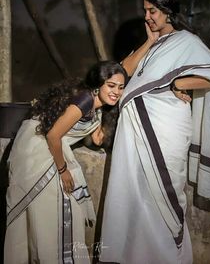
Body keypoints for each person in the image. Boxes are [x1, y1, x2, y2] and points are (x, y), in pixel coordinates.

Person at [98, 0, 210, 264]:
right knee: (134, 195)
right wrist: (148, 41)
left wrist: (178, 83)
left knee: (165, 193)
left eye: (153, 11)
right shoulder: (155, 44)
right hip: (135, 134)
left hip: (167, 128)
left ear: (168, 12)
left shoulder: (186, 41)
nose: (147, 16)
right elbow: (122, 71)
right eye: (145, 11)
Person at [4, 60, 128, 264]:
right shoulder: (85, 100)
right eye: (111, 86)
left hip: (50, 144)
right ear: (98, 85)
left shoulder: (99, 105)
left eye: (121, 87)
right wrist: (63, 170)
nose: (116, 91)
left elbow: (97, 139)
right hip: (38, 147)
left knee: (61, 211)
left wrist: (110, 116)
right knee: (54, 208)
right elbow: (53, 136)